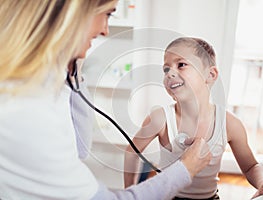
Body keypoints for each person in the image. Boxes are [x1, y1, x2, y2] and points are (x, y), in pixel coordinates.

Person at [0, 1, 212, 199]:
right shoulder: (22, 109)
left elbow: (79, 150)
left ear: (211, 75)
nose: (105, 30)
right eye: (107, 14)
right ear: (73, 14)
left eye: (182, 65)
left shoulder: (45, 86)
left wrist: (74, 78)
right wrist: (186, 168)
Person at [124, 37, 263, 200]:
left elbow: (251, 166)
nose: (170, 73)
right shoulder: (160, 118)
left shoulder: (229, 123)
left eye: (181, 64)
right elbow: (132, 152)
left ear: (211, 75)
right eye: (166, 69)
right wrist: (129, 192)